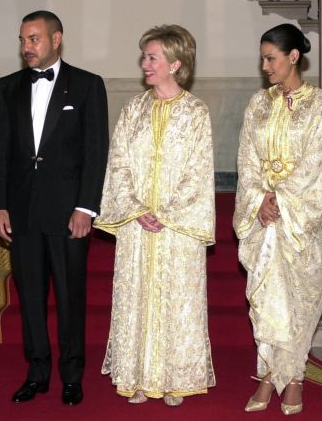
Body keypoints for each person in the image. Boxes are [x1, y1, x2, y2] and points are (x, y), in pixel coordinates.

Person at [0, 10, 109, 406]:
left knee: (71, 297)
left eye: (34, 39)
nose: (27, 47)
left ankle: (72, 375)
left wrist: (86, 208)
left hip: (67, 212)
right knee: (31, 297)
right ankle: (37, 371)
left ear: (57, 39)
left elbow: (96, 153)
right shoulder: (7, 87)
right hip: (22, 212)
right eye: (23, 40)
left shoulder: (88, 86)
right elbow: (0, 152)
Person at [94, 24, 216, 407]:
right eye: (144, 56)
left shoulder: (196, 112)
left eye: (152, 57)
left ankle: (173, 378)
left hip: (178, 227)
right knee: (137, 297)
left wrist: (166, 213)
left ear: (175, 64)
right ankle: (139, 376)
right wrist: (136, 208)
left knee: (175, 299)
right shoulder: (133, 109)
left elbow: (199, 171)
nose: (144, 63)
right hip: (136, 222)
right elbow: (119, 164)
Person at [233, 23, 322, 416]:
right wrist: (259, 200)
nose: (265, 66)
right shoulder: (257, 104)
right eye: (262, 58)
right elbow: (246, 159)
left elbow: (317, 164)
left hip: (297, 222)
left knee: (296, 300)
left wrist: (284, 202)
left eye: (271, 58)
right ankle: (267, 373)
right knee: (265, 300)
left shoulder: (319, 104)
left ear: (293, 57)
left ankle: (294, 378)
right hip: (263, 219)